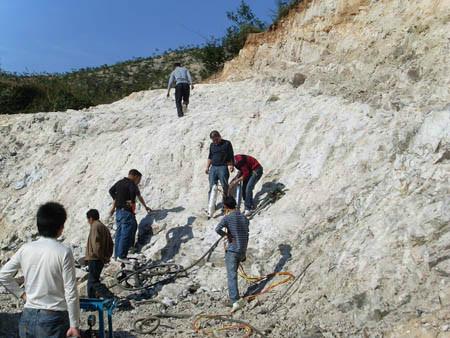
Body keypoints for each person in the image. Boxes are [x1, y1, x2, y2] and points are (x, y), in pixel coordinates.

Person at [0, 202, 80, 338]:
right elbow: (71, 291)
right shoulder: (64, 252)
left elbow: (3, 275)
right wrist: (74, 325)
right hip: (53, 318)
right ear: (61, 228)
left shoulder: (25, 249)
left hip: (27, 315)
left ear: (38, 226)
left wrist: (21, 294)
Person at [109, 169, 152, 263]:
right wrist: (131, 202)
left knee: (120, 233)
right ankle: (123, 254)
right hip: (127, 212)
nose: (138, 182)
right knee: (128, 229)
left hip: (119, 212)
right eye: (139, 180)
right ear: (135, 176)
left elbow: (111, 191)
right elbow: (135, 194)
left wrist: (117, 199)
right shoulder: (131, 184)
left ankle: (117, 255)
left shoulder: (119, 182)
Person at [215, 196, 249, 313]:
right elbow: (246, 233)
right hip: (242, 250)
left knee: (231, 275)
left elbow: (217, 229)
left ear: (225, 207)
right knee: (233, 274)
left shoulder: (227, 218)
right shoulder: (244, 217)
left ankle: (235, 300)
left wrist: (226, 235)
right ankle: (235, 298)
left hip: (233, 250)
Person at [85, 209, 114, 299]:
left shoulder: (95, 226)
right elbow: (111, 243)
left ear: (91, 218)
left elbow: (95, 244)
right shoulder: (103, 227)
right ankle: (92, 301)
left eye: (88, 219)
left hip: (95, 258)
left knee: (93, 281)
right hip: (100, 259)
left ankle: (110, 297)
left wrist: (100, 256)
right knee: (91, 281)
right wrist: (107, 256)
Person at [205, 130, 234, 207]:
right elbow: (210, 157)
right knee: (212, 186)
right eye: (213, 140)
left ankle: (226, 204)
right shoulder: (212, 145)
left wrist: (231, 165)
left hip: (223, 167)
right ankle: (211, 205)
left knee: (225, 186)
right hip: (213, 167)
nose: (215, 141)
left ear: (219, 136)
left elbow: (231, 155)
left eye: (216, 139)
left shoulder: (227, 143)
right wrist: (207, 167)